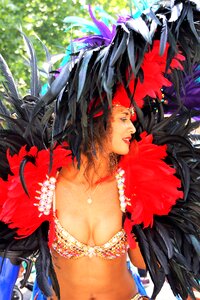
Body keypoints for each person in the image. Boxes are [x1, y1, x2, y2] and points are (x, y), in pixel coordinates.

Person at [0, 1, 199, 300]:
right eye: (123, 119)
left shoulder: (132, 183)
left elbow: (143, 262)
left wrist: (158, 224)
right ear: (94, 121)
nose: (131, 128)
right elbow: (13, 248)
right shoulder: (43, 182)